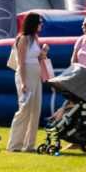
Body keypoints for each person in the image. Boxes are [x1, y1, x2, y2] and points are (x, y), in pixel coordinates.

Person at [7, 13, 52, 152]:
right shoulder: (23, 39)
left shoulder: (35, 38)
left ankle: (29, 145)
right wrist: (23, 83)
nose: (41, 25)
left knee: (35, 110)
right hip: (25, 75)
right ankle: (15, 144)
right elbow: (21, 63)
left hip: (36, 74)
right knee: (24, 109)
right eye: (39, 23)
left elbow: (37, 57)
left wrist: (44, 51)